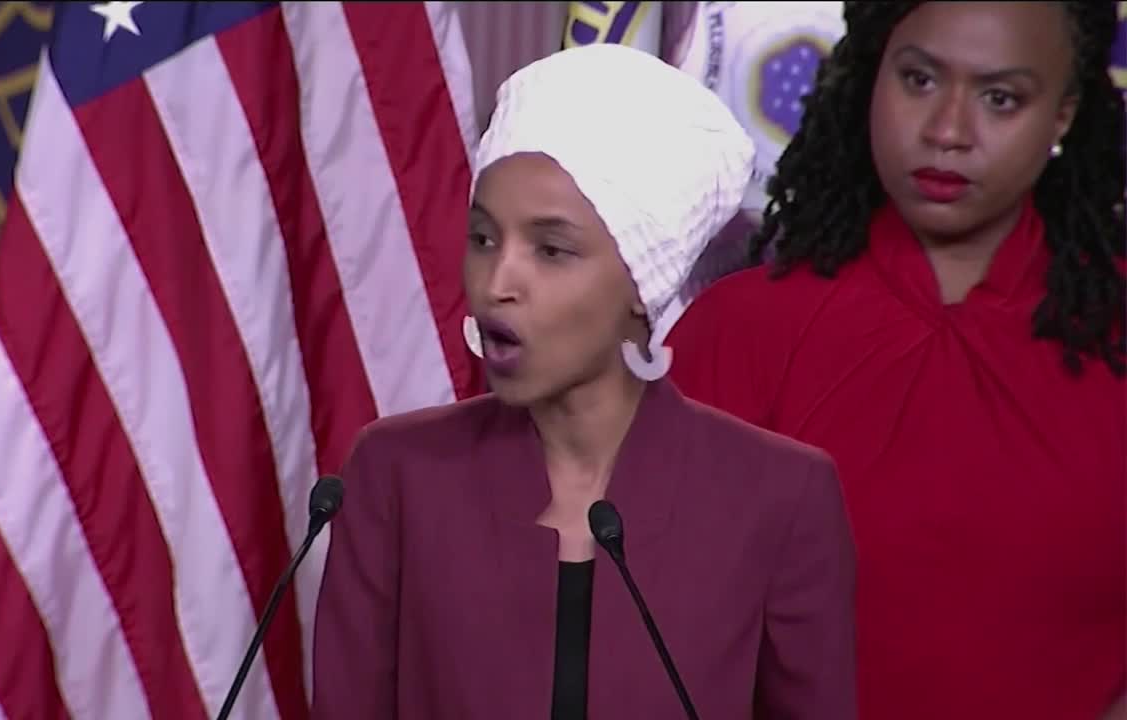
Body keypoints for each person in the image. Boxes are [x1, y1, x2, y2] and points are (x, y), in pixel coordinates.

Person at [309, 43, 858, 720]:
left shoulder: (780, 497)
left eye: (550, 249)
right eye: (484, 238)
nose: (498, 284)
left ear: (642, 282)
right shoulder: (396, 475)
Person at [666, 2, 1125, 720]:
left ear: (1063, 116)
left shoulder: (1114, 337)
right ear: (870, 74)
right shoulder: (739, 332)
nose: (947, 131)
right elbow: (653, 639)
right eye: (917, 80)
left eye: (1000, 98)